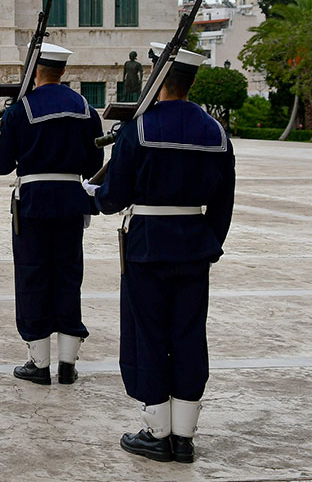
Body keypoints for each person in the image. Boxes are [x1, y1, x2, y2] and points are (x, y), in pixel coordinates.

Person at [85, 43, 235, 464]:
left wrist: (95, 195)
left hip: (148, 243)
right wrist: (210, 242)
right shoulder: (216, 132)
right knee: (188, 334)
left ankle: (157, 432)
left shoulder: (140, 129)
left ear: (157, 76)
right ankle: (185, 436)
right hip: (194, 247)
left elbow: (114, 197)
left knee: (148, 334)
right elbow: (224, 201)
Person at [0, 43, 104, 386]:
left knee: (33, 277)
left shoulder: (21, 109)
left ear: (33, 70)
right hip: (71, 200)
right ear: (63, 71)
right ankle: (68, 364)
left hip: (34, 203)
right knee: (68, 276)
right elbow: (95, 163)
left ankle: (39, 364)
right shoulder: (85, 108)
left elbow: (0, 165)